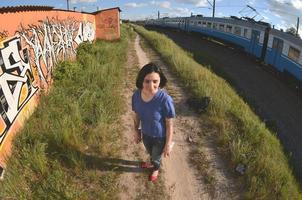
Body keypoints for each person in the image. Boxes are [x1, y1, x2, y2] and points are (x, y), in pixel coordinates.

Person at [132, 62, 176, 182]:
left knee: (156, 157)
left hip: (160, 137)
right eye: (147, 81)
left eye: (155, 81)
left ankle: (155, 168)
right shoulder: (136, 96)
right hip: (145, 134)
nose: (151, 86)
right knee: (150, 152)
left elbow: (169, 124)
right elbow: (136, 115)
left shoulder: (165, 100)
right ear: (141, 81)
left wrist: (168, 143)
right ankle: (151, 162)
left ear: (160, 81)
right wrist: (136, 131)